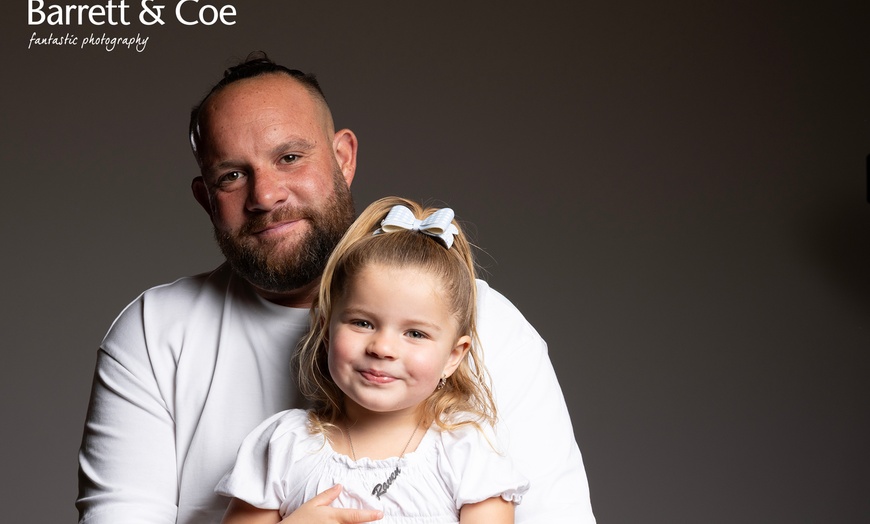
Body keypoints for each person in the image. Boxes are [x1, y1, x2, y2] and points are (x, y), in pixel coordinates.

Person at [76, 53, 595, 524]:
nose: (266, 195)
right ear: (205, 197)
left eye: (290, 158)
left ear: (343, 157)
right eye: (232, 175)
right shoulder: (154, 332)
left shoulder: (485, 322)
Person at [217, 197, 530, 523]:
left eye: (415, 334)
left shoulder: (467, 454)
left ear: (453, 357)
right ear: (326, 332)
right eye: (362, 323)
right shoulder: (285, 446)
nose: (382, 348)